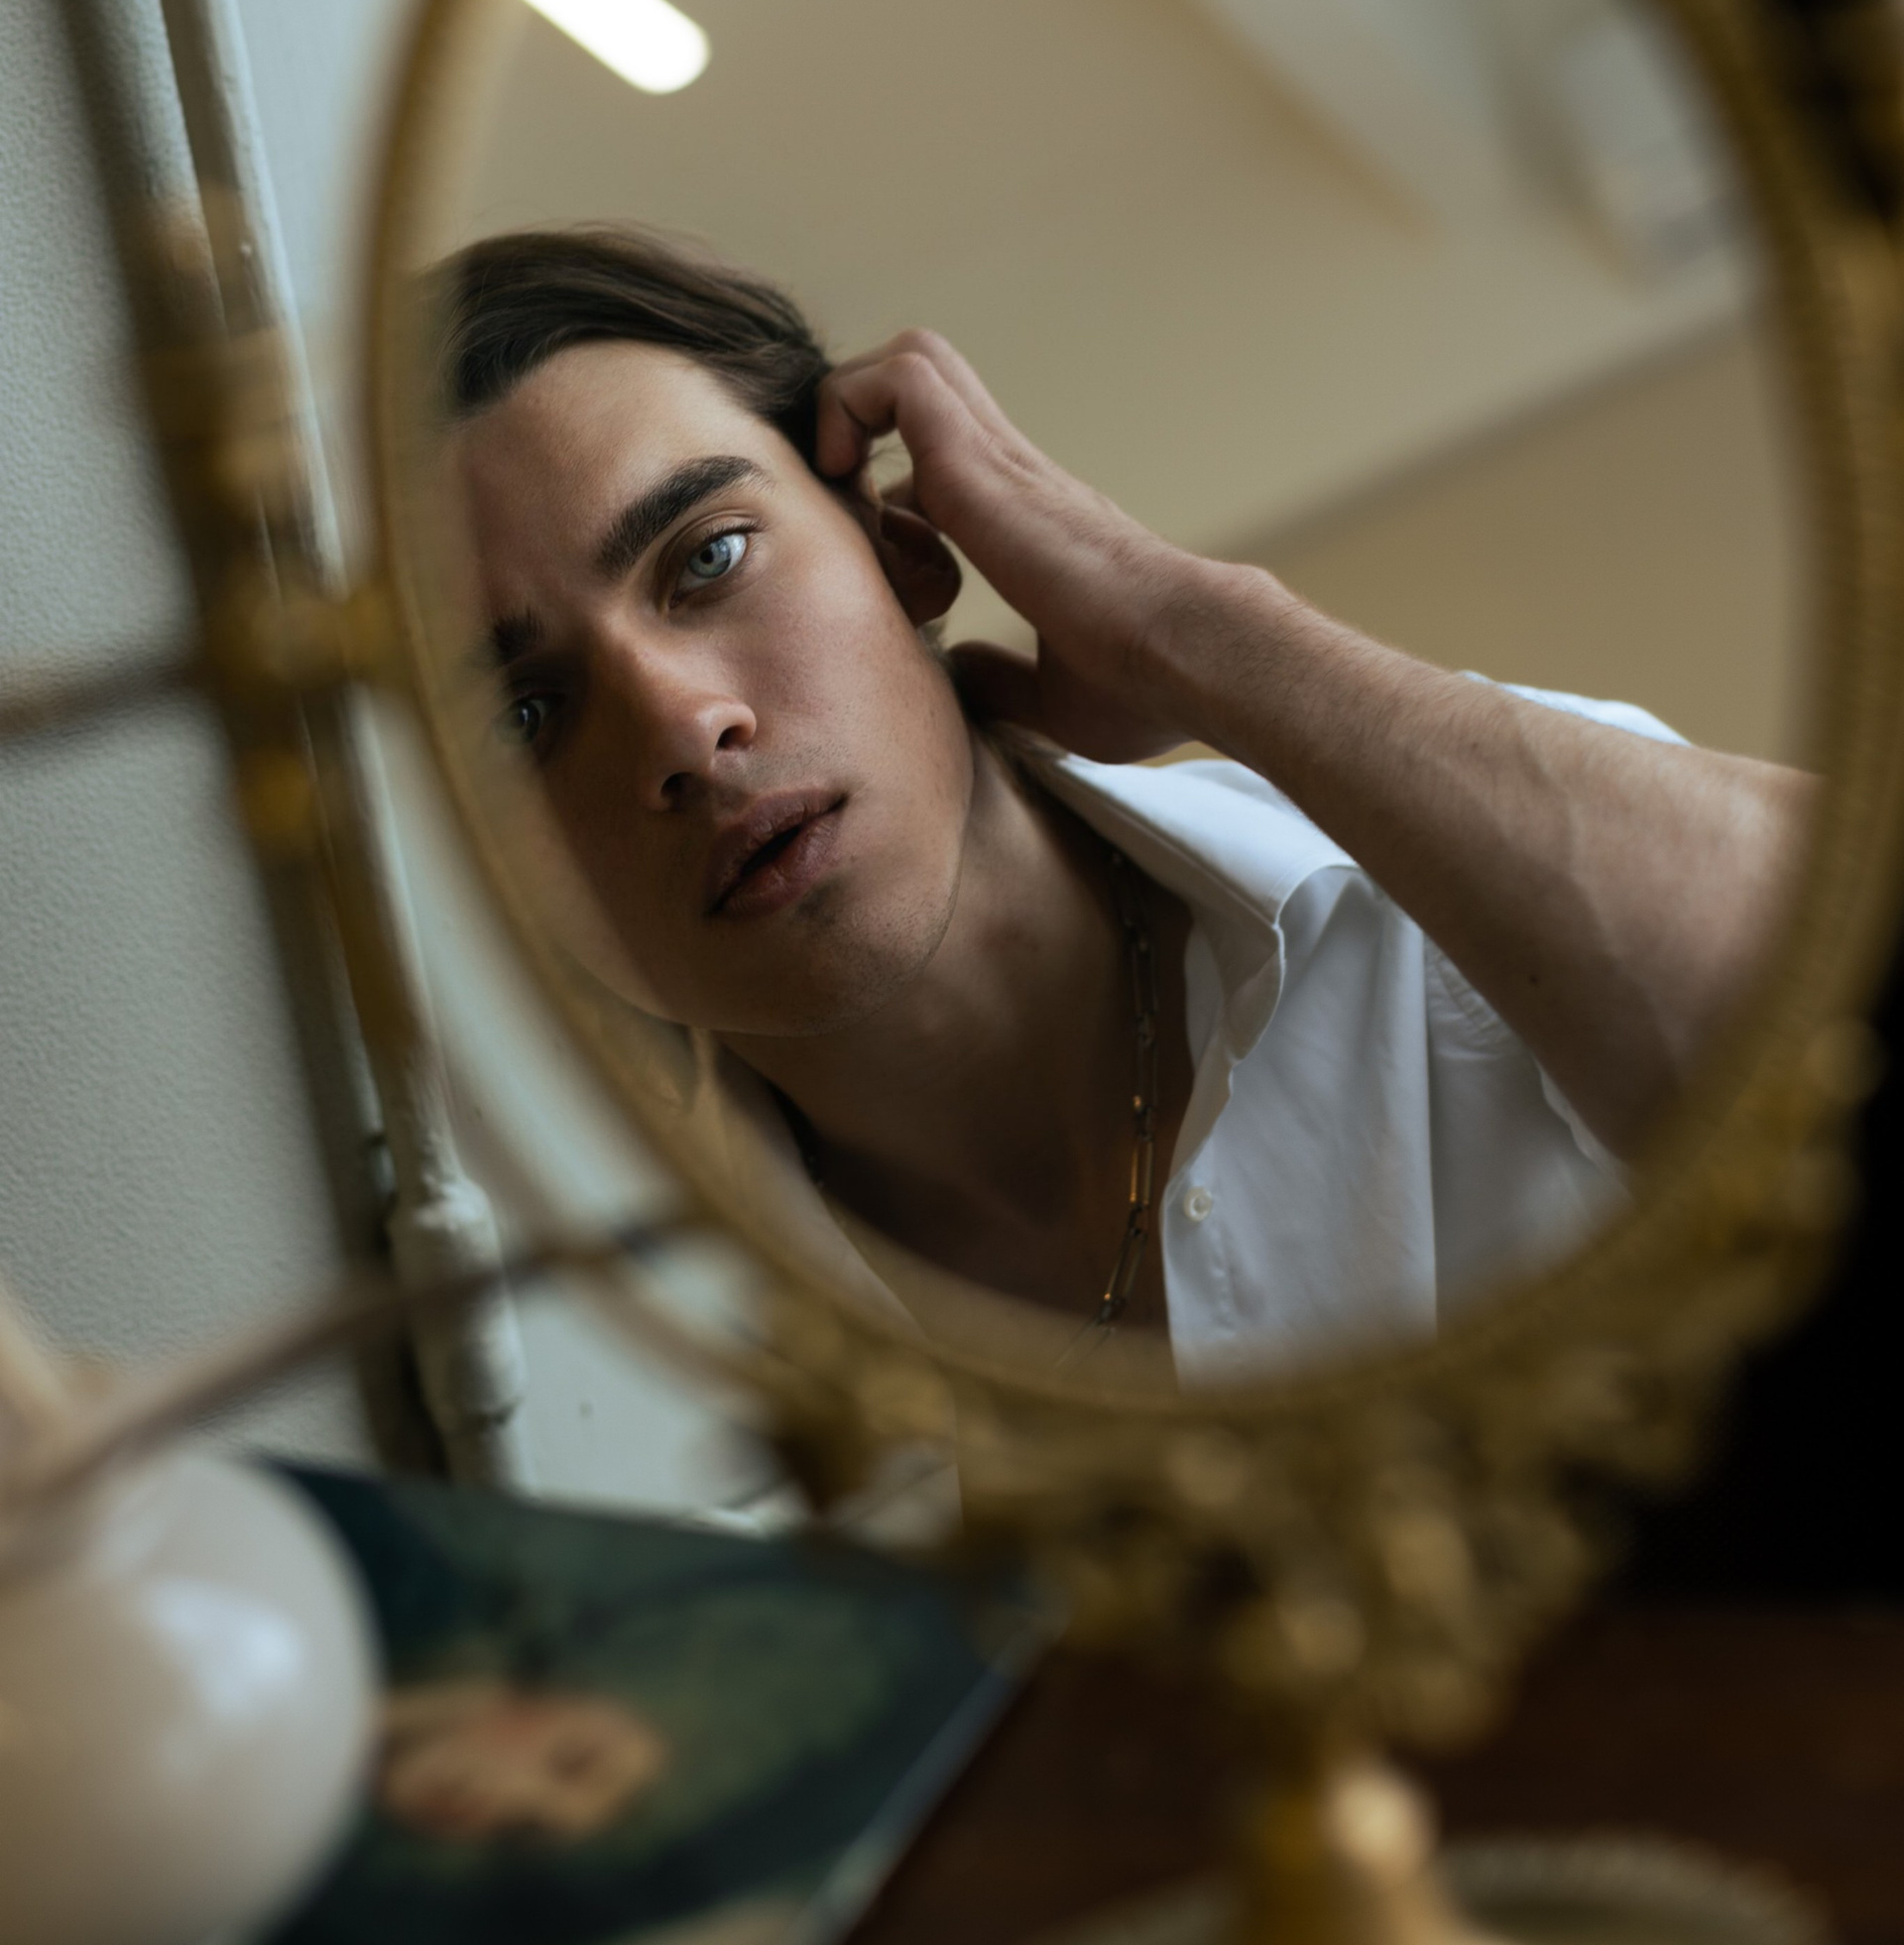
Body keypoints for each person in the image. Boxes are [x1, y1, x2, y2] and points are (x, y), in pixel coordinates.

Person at [435, 226, 1813, 1377]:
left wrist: (1186, 627)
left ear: (903, 549)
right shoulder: (622, 1364)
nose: (683, 730)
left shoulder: (1447, 890)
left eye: (711, 556)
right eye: (521, 717)